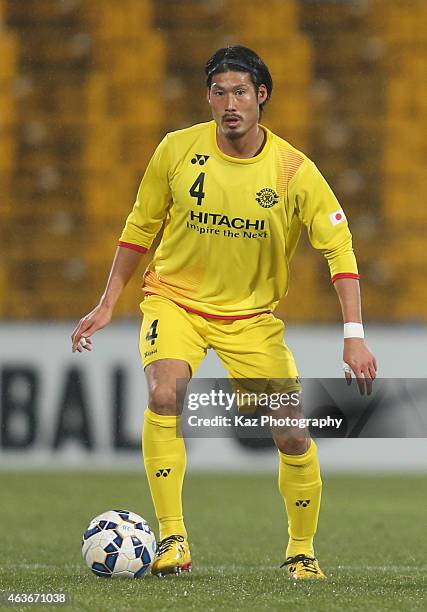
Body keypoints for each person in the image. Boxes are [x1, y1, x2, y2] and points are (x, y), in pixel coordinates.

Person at [71, 46, 377, 579]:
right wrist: (106, 303)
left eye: (240, 92)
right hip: (175, 300)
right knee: (165, 393)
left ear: (262, 97)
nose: (229, 103)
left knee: (292, 434)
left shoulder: (293, 170)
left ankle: (301, 552)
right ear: (208, 97)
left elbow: (340, 249)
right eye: (219, 91)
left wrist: (354, 334)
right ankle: (173, 539)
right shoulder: (176, 150)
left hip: (251, 318)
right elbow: (139, 229)